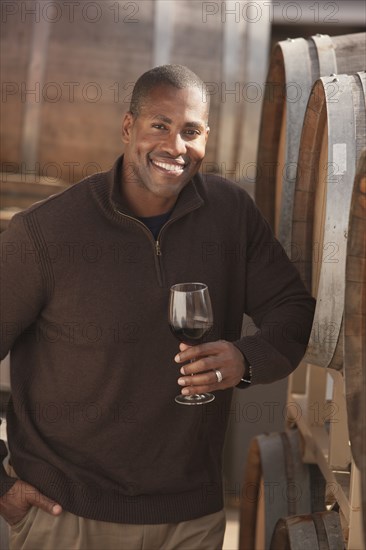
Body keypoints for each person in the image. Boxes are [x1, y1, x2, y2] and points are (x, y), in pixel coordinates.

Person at [0, 64, 315, 549]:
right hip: (67, 517)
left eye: (190, 131)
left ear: (206, 136)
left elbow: (294, 310)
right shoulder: (45, 233)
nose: (175, 147)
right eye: (159, 126)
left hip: (190, 520)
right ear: (129, 128)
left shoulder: (232, 215)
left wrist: (247, 360)